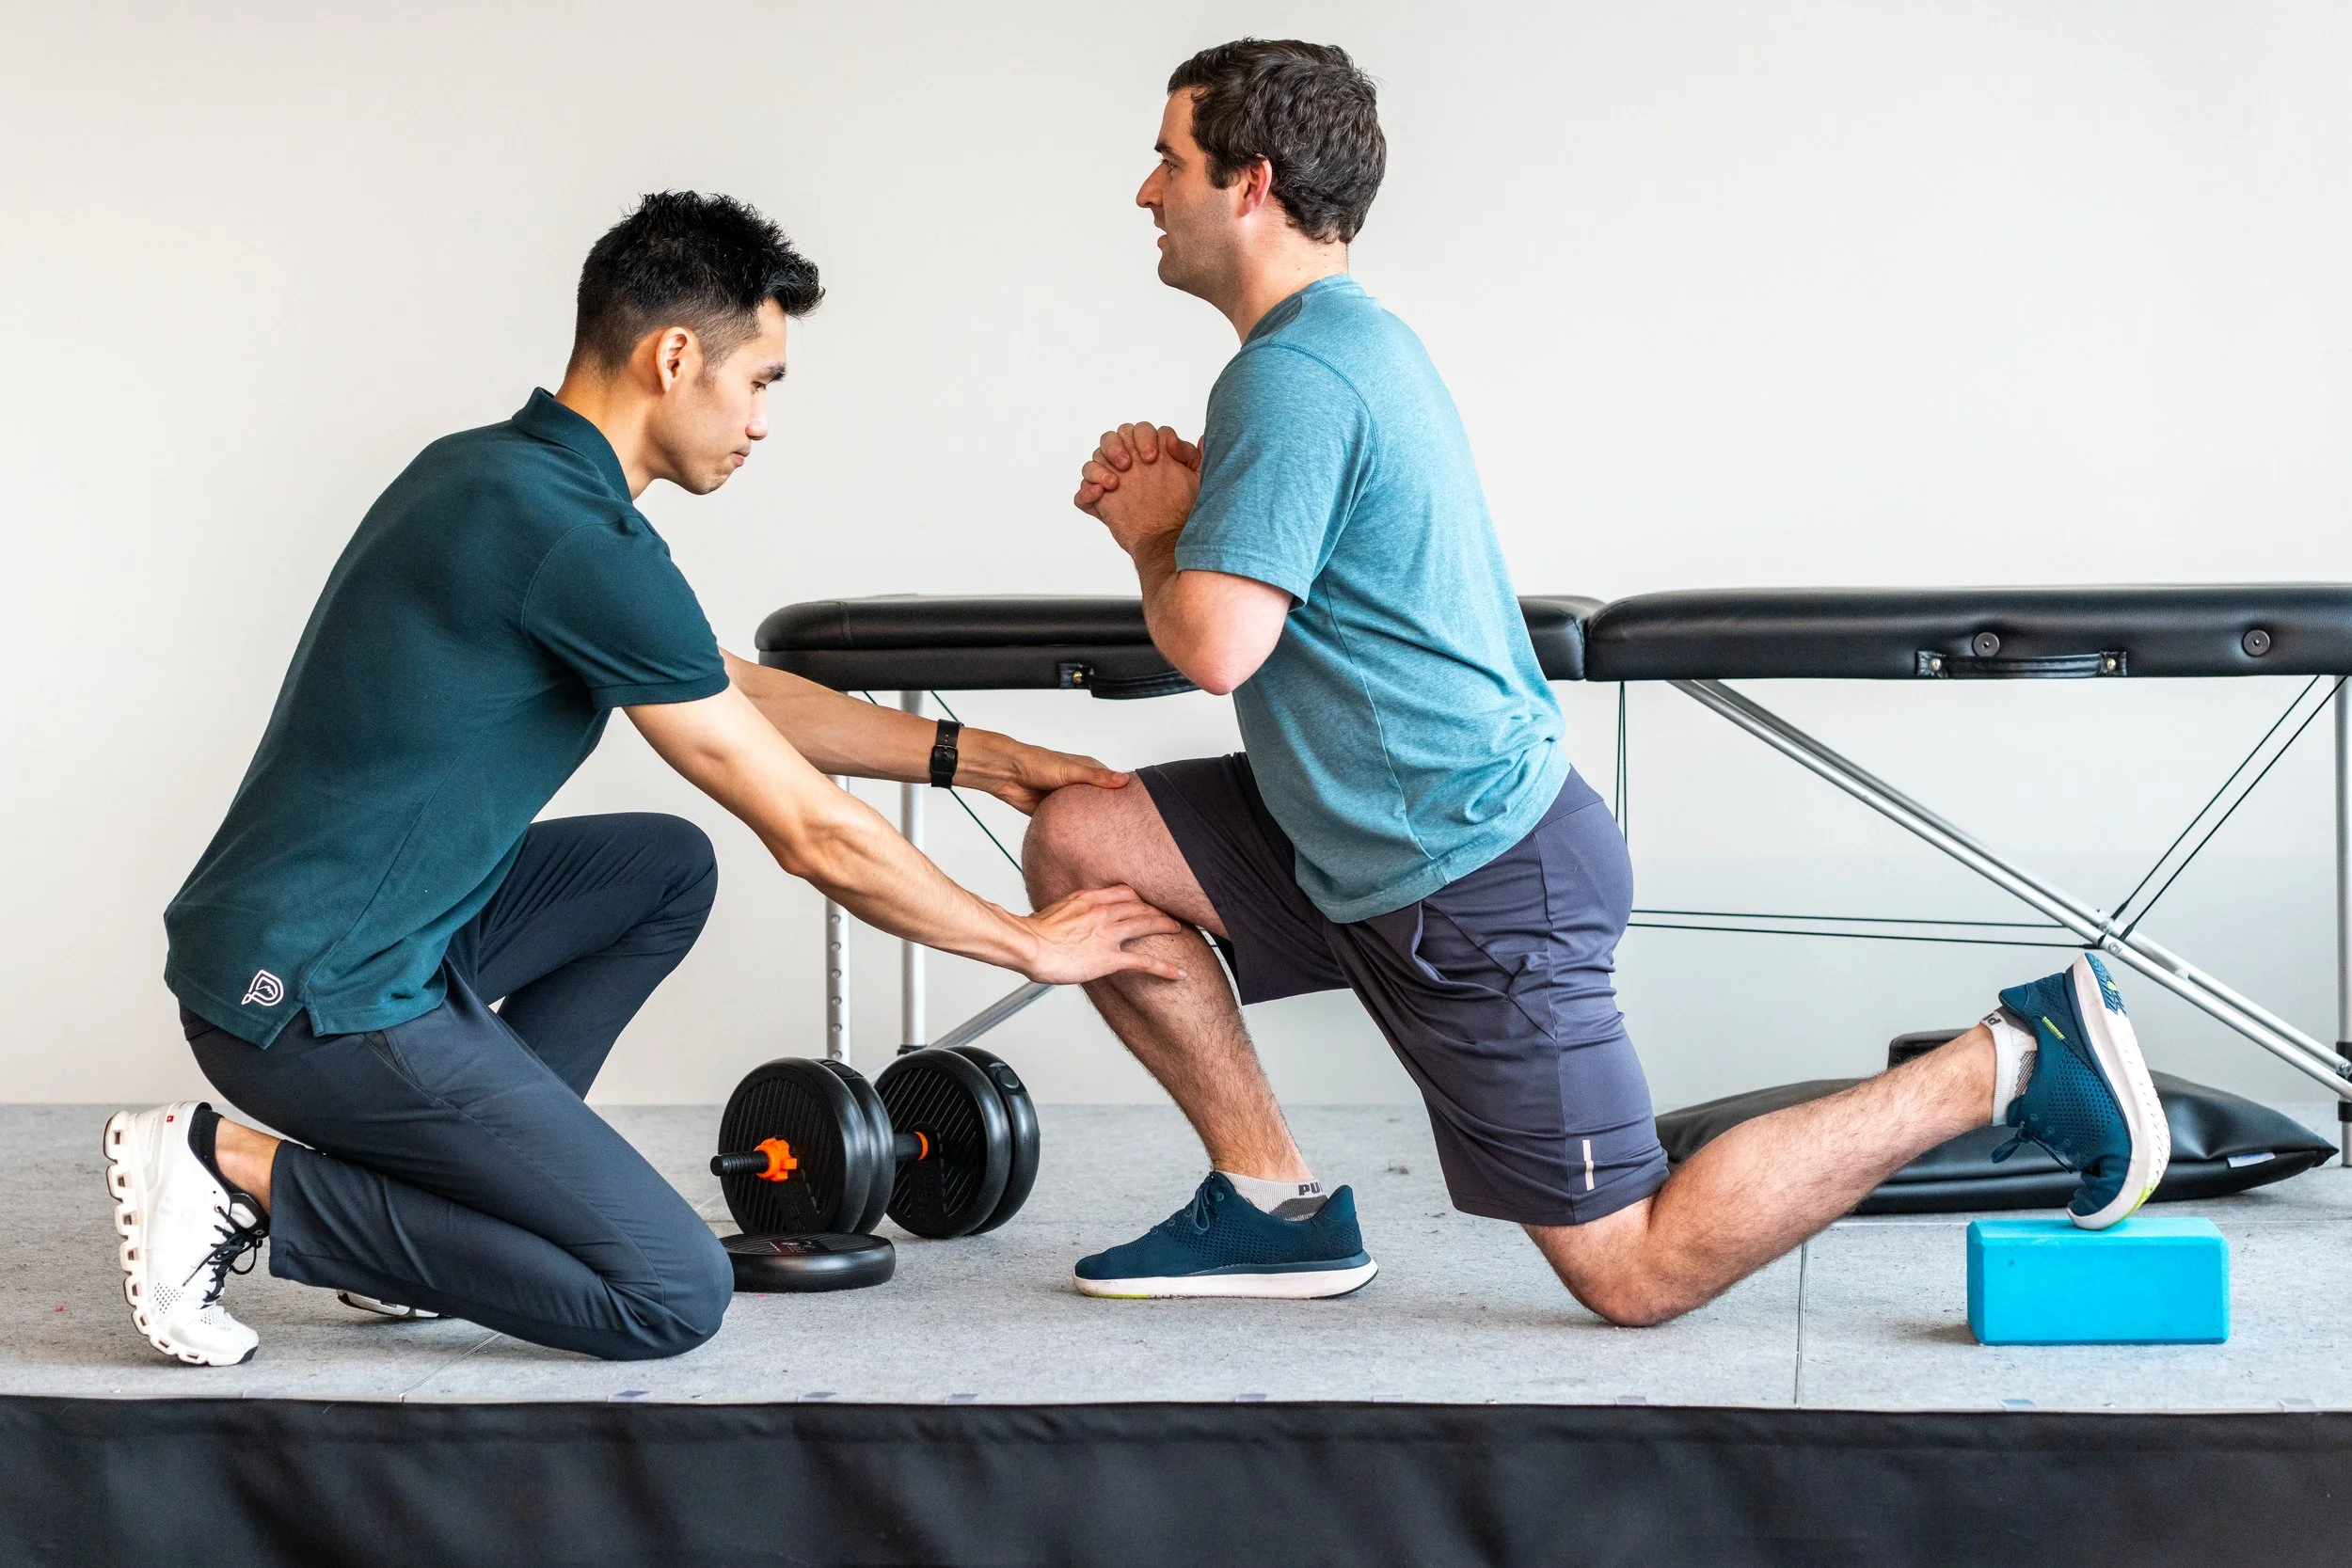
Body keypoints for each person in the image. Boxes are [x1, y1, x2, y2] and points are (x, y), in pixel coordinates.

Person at [1025, 39, 2169, 1317]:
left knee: (1632, 1266)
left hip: (1468, 875)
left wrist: (1154, 532)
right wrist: (1191, 521)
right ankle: (1268, 1203)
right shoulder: (1336, 347)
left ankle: (2014, 1055)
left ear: (1251, 183)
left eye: (1168, 160)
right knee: (1086, 838)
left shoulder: (1293, 374)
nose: (1145, 192)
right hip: (1349, 836)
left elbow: (1215, 646)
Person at [107, 192, 1184, 1367]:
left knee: (659, 867)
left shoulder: (493, 474)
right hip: (313, 1001)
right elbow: (813, 832)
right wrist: (1028, 944)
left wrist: (987, 758)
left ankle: (438, 1215)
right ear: (674, 357)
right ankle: (232, 1170)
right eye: (759, 380)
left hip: (340, 931)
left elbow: (724, 688)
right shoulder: (571, 535)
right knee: (667, 1290)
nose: (762, 420)